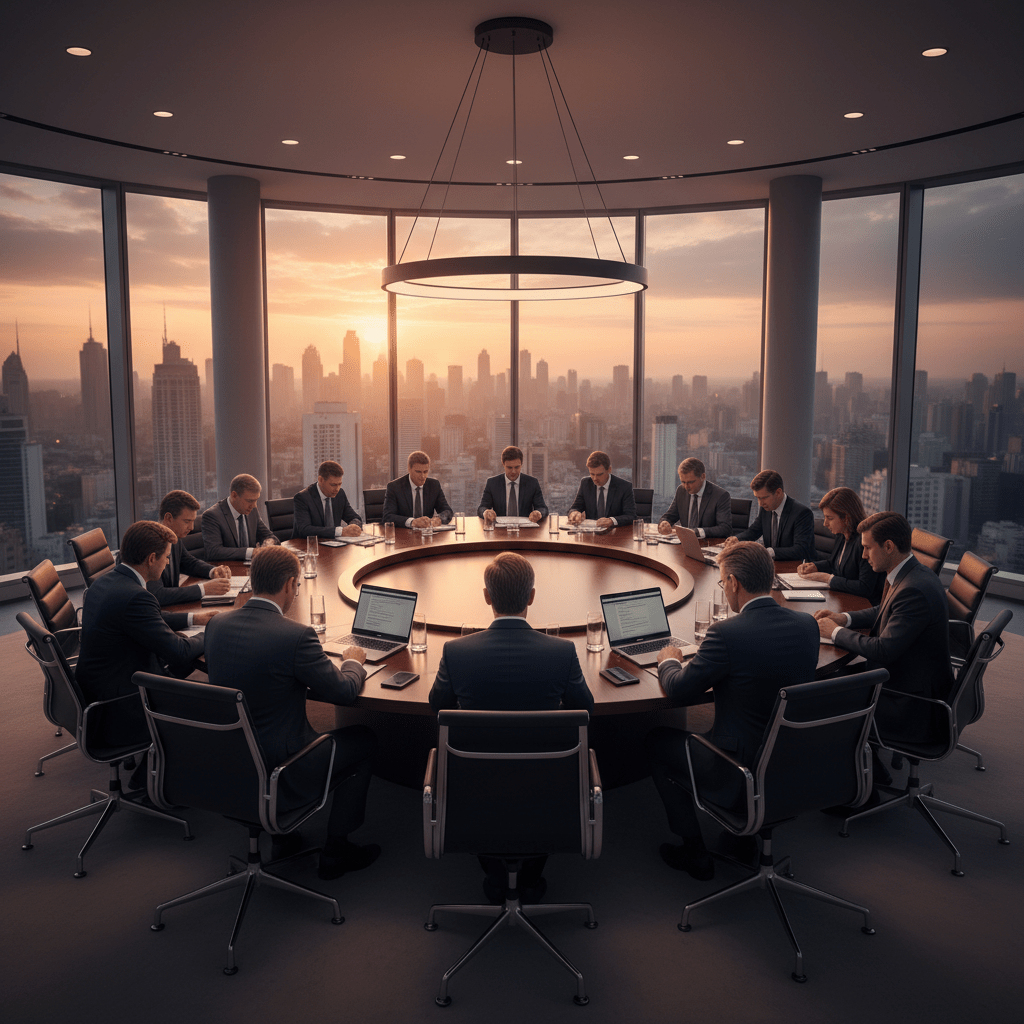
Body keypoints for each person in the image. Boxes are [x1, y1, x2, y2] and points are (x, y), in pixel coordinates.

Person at [203, 546, 380, 880]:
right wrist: (354, 661)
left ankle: (283, 838)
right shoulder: (295, 636)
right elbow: (342, 691)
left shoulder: (216, 626)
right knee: (364, 740)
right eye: (296, 586)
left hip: (225, 764)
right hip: (281, 769)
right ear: (288, 584)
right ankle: (337, 850)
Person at [429, 551, 594, 903]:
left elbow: (436, 707)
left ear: (486, 597)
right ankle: (531, 875)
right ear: (532, 597)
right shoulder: (562, 652)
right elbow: (586, 708)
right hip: (549, 790)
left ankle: (493, 872)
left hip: (473, 791)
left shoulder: (456, 652)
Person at [648, 542, 819, 880]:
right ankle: (745, 838)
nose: (724, 589)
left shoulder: (727, 634)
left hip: (740, 771)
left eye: (723, 582)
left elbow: (681, 688)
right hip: (797, 766)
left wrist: (668, 659)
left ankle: (694, 852)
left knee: (655, 741)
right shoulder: (807, 626)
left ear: (735, 583)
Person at [814, 511, 953, 738]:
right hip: (900, 677)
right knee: (824, 681)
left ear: (888, 546)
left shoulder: (914, 590)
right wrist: (845, 618)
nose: (863, 556)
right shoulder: (910, 573)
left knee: (818, 696)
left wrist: (835, 632)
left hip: (908, 702)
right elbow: (885, 609)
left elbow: (883, 650)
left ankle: (872, 772)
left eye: (868, 548)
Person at [76, 520, 208, 716]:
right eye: (167, 557)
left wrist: (193, 619)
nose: (169, 563)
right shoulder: (136, 597)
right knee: (214, 701)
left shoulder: (104, 582)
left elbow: (146, 618)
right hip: (122, 706)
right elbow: (179, 652)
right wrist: (212, 630)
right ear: (152, 558)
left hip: (99, 688)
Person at [148, 489, 233, 629]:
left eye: (193, 521)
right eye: (187, 521)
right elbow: (158, 595)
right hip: (160, 621)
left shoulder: (172, 538)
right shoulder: (151, 546)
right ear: (169, 518)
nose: (192, 527)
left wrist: (213, 571)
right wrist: (203, 589)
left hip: (173, 611)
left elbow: (189, 563)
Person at [796, 487, 885, 603]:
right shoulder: (842, 534)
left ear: (846, 518)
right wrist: (815, 566)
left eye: (830, 518)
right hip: (842, 599)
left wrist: (828, 579)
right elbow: (834, 563)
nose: (825, 523)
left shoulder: (864, 542)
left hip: (861, 605)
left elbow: (865, 588)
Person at [723, 468, 815, 561]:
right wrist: (737, 539)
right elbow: (754, 531)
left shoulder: (802, 513)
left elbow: (800, 550)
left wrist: (768, 552)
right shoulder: (766, 508)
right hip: (771, 565)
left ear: (778, 492)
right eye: (757, 498)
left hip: (793, 568)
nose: (760, 503)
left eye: (764, 498)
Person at [202, 473, 275, 561]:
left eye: (256, 500)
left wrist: (269, 542)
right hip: (228, 570)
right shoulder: (212, 516)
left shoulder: (252, 511)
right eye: (250, 501)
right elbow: (213, 551)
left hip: (251, 568)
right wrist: (252, 552)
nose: (254, 505)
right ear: (234, 495)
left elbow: (269, 535)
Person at [657, 457, 732, 538]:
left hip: (708, 544)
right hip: (684, 544)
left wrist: (697, 532)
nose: (686, 487)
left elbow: (725, 529)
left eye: (690, 482)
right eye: (683, 482)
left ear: (702, 477)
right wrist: (664, 523)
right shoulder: (681, 491)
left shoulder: (720, 495)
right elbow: (669, 516)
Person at [381, 451, 454, 529]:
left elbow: (447, 511)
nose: (422, 476)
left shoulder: (434, 485)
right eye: (418, 472)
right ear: (409, 468)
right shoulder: (394, 487)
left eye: (425, 472)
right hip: (403, 536)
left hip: (427, 535)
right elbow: (387, 517)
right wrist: (413, 522)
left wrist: (438, 520)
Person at [478, 445, 548, 524]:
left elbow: (543, 508)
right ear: (503, 464)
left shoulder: (532, 483)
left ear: (521, 464)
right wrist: (486, 512)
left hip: (525, 529)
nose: (513, 471)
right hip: (500, 529)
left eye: (517, 467)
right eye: (509, 467)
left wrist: (538, 513)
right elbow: (482, 508)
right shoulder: (492, 483)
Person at [567, 450, 637, 528]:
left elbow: (631, 516)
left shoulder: (624, 487)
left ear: (609, 469)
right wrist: (574, 513)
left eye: (599, 474)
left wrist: (612, 521)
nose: (595, 478)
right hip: (591, 534)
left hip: (615, 535)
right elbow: (575, 507)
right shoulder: (585, 483)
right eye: (592, 474)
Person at [293, 460, 363, 539]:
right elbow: (304, 530)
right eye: (333, 485)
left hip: (334, 546)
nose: (337, 489)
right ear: (321, 480)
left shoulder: (340, 494)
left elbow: (355, 517)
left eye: (339, 484)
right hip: (308, 546)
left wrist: (354, 527)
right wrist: (340, 531)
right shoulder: (302, 498)